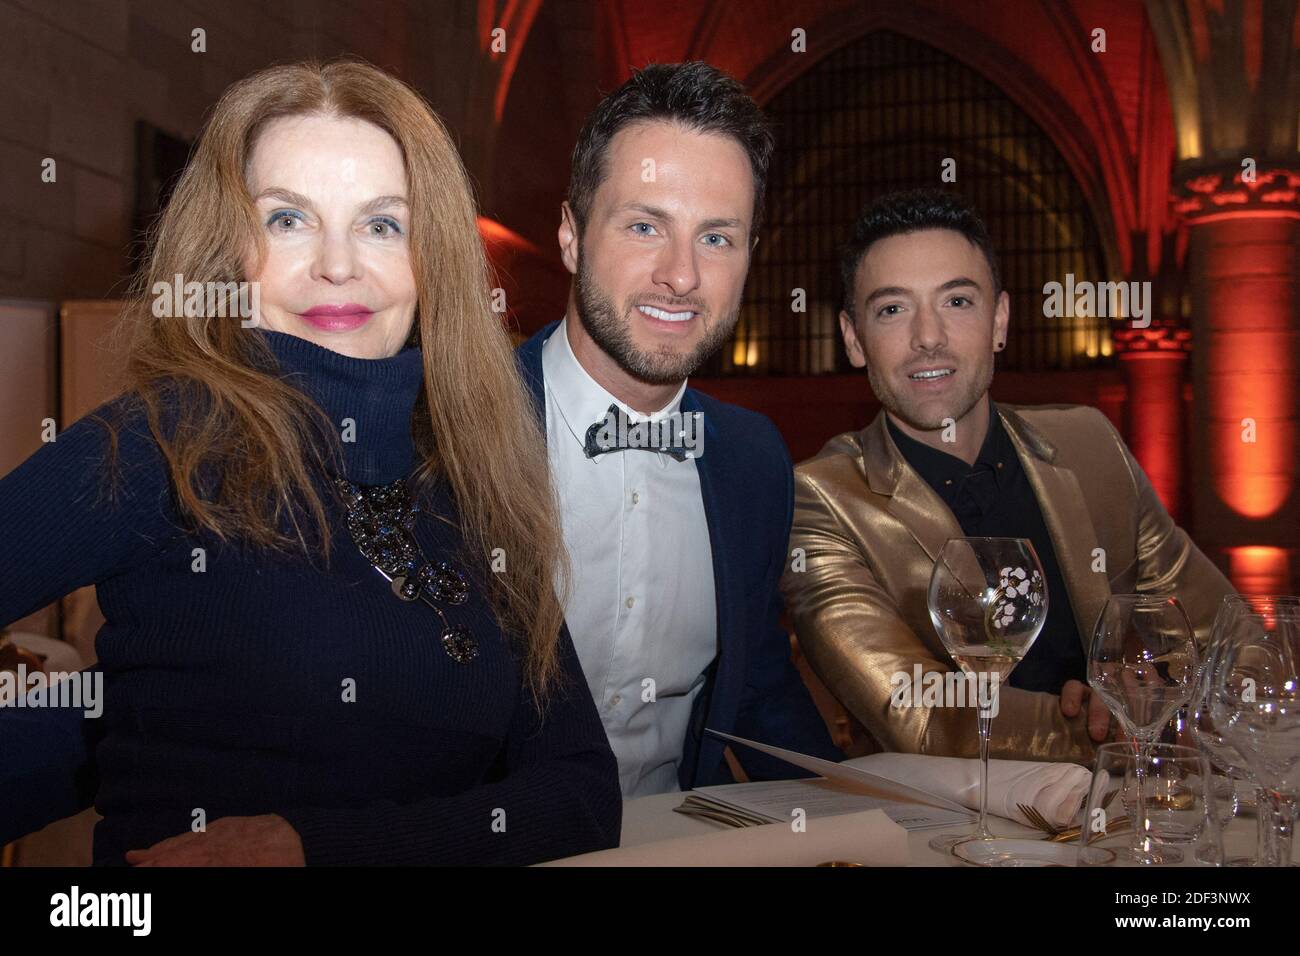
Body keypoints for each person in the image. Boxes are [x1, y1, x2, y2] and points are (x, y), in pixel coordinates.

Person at [0, 58, 620, 866]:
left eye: (381, 224)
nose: (338, 263)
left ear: (428, 260)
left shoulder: (481, 479)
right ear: (228, 251)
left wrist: (318, 848)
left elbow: (578, 794)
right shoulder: (157, 443)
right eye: (288, 219)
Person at [780, 188, 1234, 762]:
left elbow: (1225, 638)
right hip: (934, 836)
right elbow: (918, 714)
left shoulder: (1090, 445)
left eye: (958, 302)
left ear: (1000, 321)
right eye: (892, 309)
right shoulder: (819, 497)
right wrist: (1116, 725)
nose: (928, 337)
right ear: (853, 339)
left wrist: (1216, 708)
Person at [515, 61, 842, 796]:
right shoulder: (446, 429)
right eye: (643, 226)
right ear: (571, 235)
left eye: (718, 239)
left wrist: (864, 822)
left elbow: (758, 690)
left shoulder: (754, 459)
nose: (683, 275)